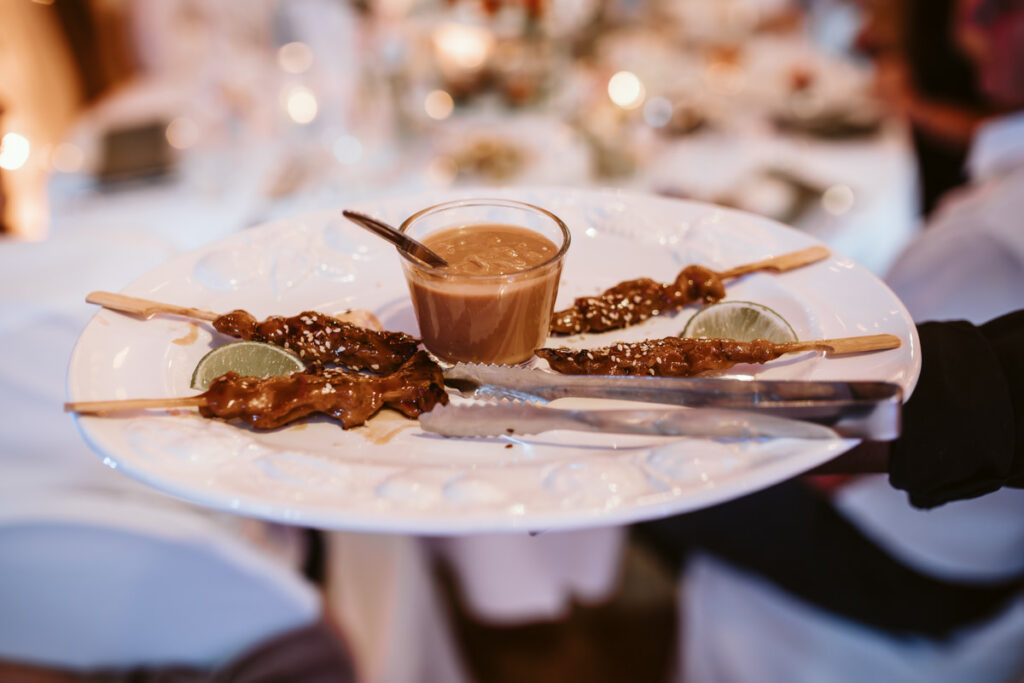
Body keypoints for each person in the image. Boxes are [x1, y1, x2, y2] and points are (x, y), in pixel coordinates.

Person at [633, 0, 1024, 680]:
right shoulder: (998, 178)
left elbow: (847, 444)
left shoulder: (998, 233)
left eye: (1004, 8)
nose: (969, 16)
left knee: (629, 466)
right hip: (944, 531)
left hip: (910, 560)